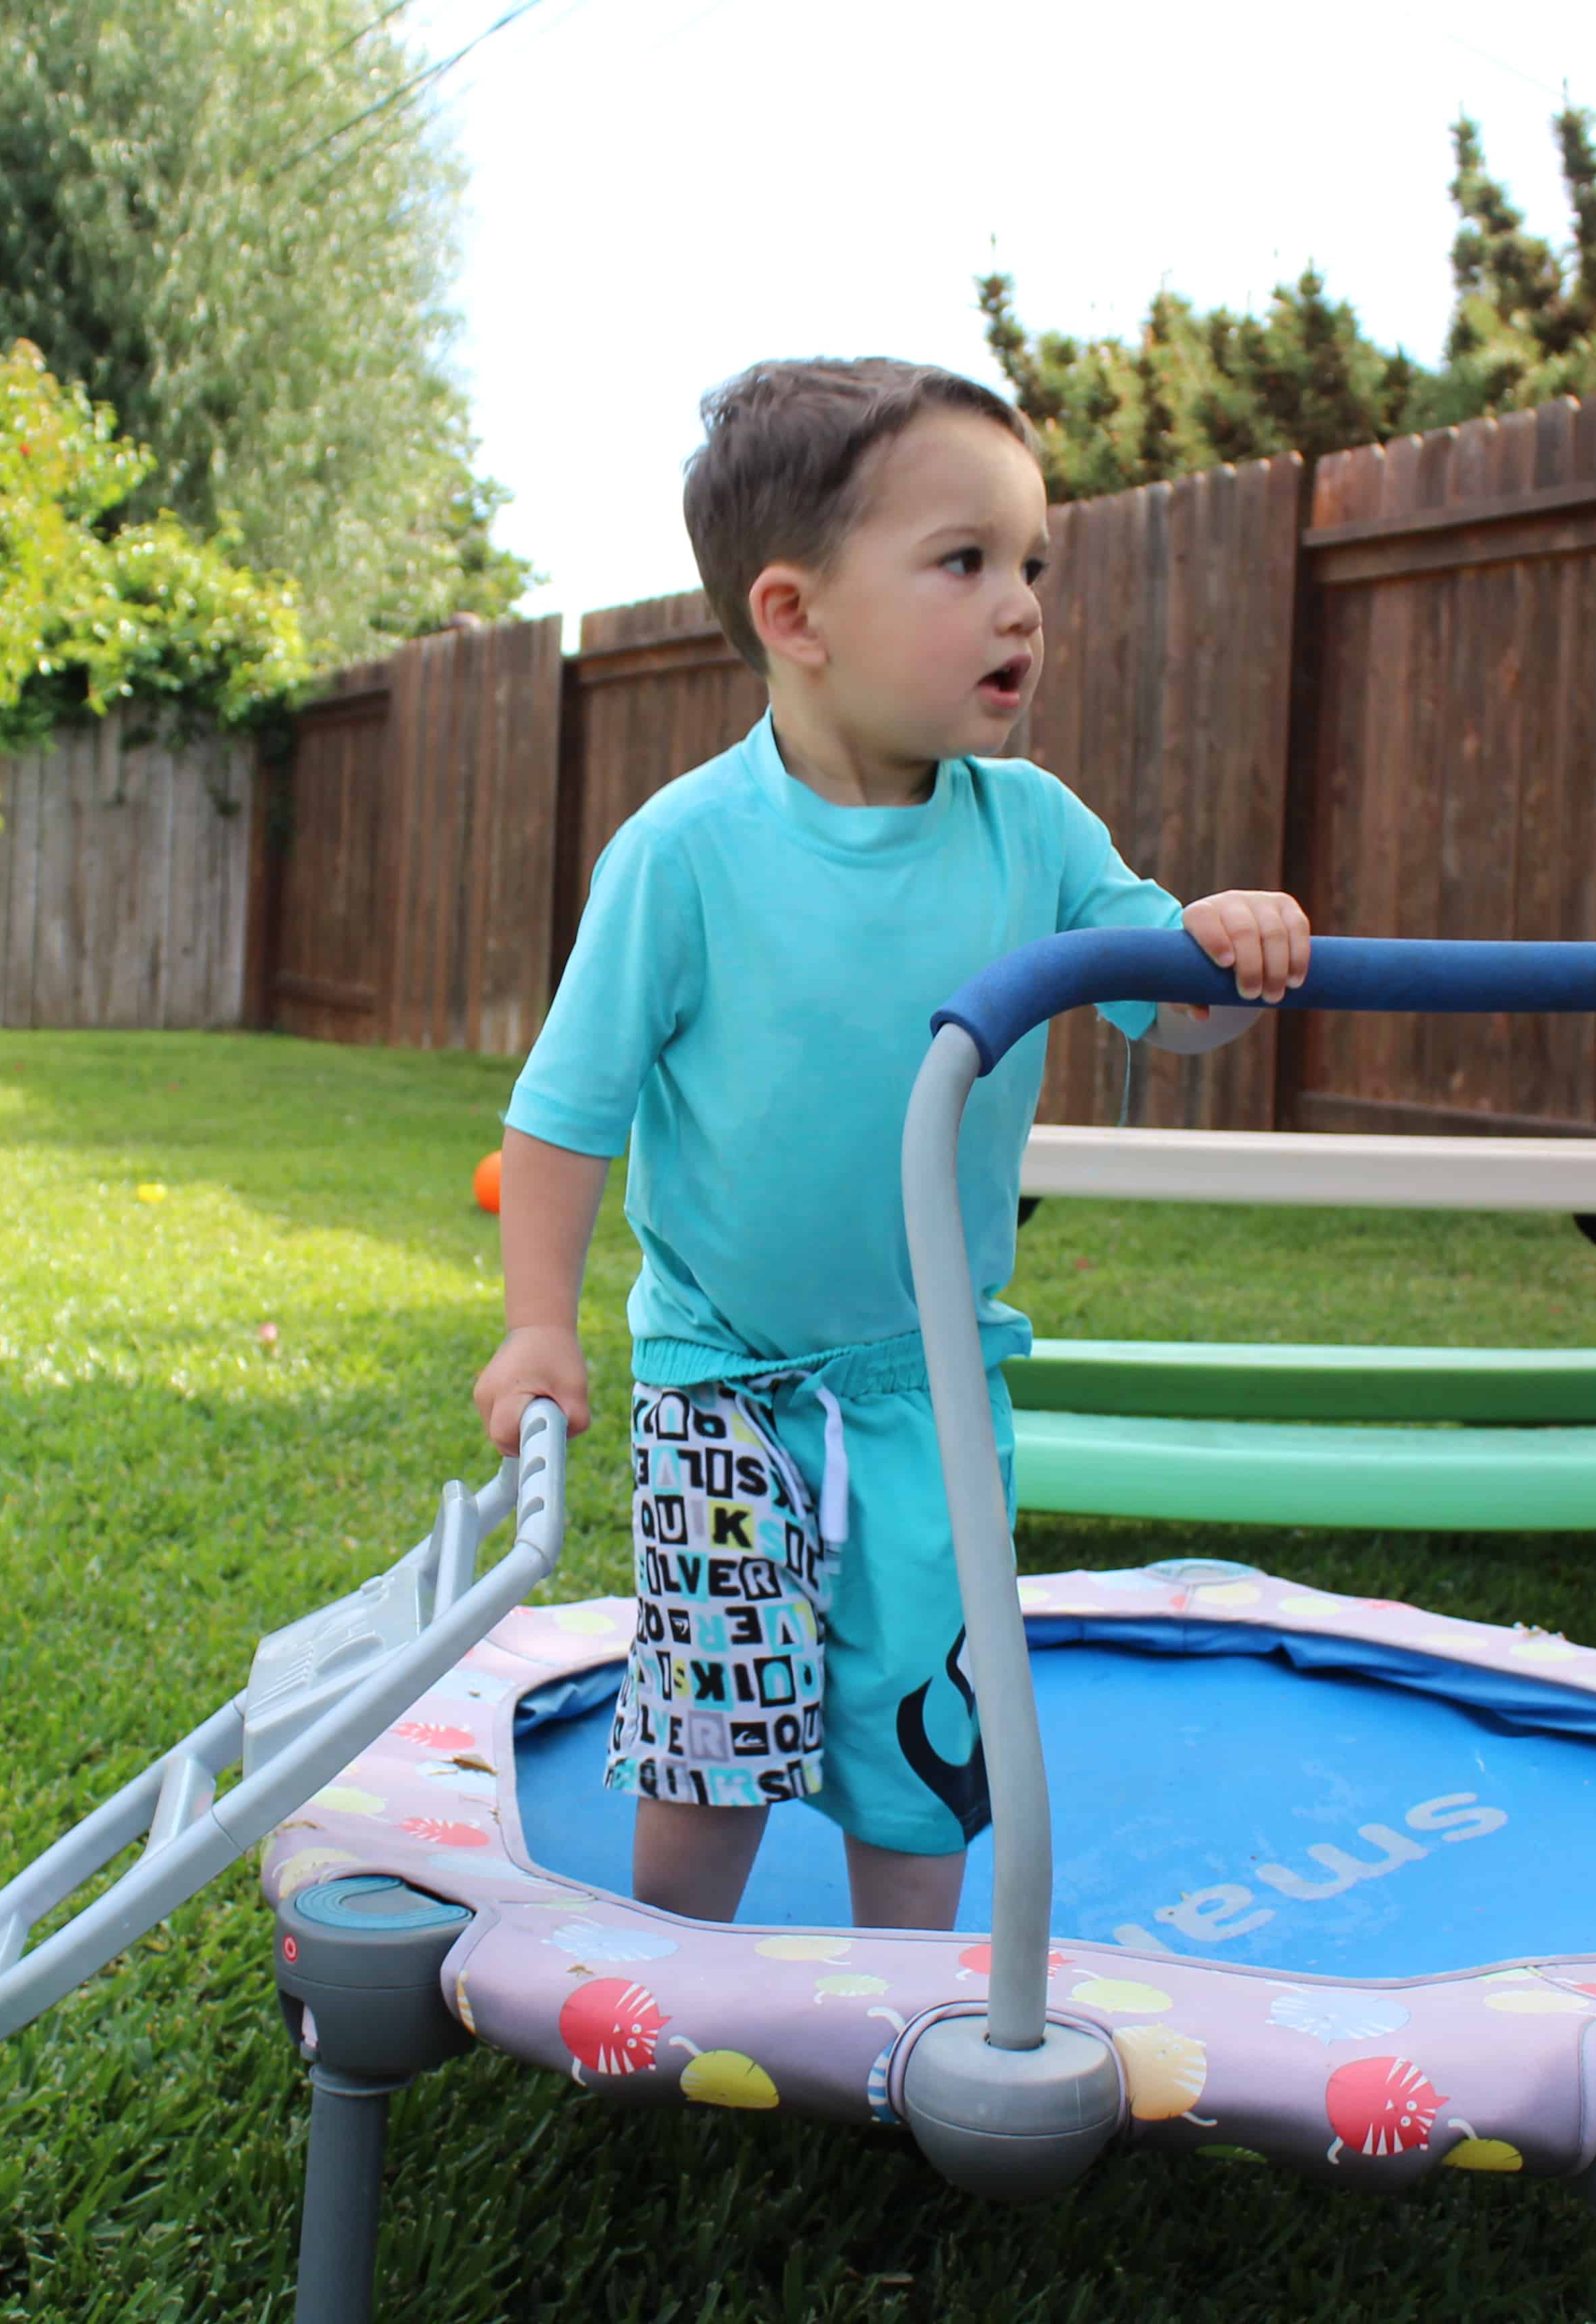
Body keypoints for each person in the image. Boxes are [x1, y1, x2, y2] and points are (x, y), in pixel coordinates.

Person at [471, 357, 1308, 1932]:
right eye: (965, 562)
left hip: (936, 1386)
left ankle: (906, 1993)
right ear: (798, 617)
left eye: (1032, 566)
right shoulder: (687, 854)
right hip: (726, 1382)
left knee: (927, 1730)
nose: (1023, 606)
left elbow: (1170, 1010)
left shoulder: (1036, 830)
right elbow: (564, 1115)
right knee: (715, 1743)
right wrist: (538, 1320)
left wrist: (1226, 946)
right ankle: (671, 1972)